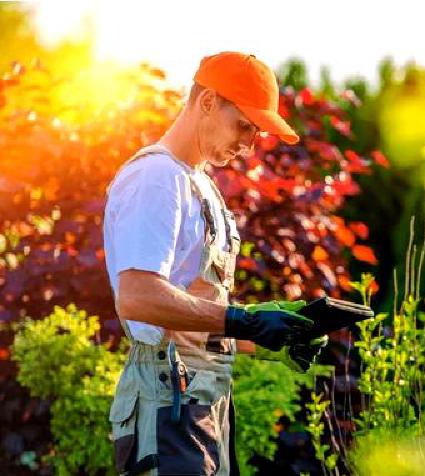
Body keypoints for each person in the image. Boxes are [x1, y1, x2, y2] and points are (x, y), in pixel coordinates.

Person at [103, 51, 324, 476]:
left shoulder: (200, 184)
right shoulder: (156, 178)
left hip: (202, 400)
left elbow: (194, 316)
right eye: (244, 124)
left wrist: (266, 340)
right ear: (206, 101)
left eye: (256, 131)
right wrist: (243, 321)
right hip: (169, 402)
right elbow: (137, 297)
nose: (249, 143)